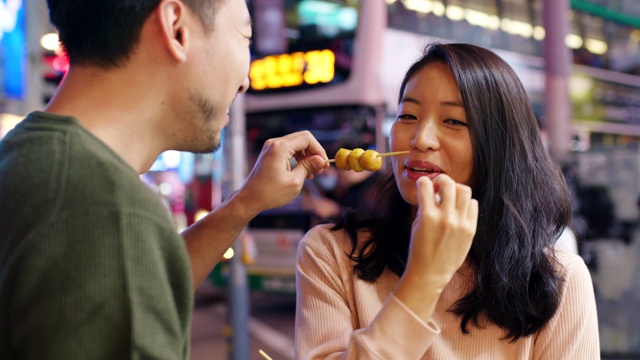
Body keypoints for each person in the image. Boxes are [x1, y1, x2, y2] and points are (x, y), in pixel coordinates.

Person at [0, 0, 328, 358]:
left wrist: (245, 203)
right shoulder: (105, 209)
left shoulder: (29, 157)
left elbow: (142, 287)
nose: (245, 82)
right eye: (244, 35)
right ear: (176, 28)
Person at [295, 43, 600, 359]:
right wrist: (423, 280)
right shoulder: (330, 252)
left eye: (453, 121)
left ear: (499, 145)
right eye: (408, 115)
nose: (420, 139)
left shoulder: (560, 280)